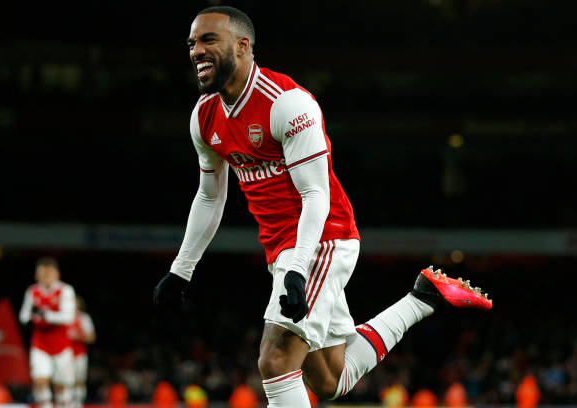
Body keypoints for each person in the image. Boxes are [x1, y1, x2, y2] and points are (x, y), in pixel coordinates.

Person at [153, 6, 493, 407]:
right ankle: (423, 298)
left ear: (243, 46)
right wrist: (181, 270)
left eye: (209, 40)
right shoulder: (204, 117)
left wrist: (298, 267)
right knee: (330, 379)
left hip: (323, 239)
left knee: (276, 358)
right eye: (192, 42)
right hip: (282, 251)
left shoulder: (288, 104)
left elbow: (316, 194)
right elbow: (210, 196)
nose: (196, 50)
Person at [19, 257, 76, 408]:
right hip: (40, 344)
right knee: (40, 380)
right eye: (42, 274)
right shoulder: (32, 291)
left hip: (61, 345)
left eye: (49, 273)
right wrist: (31, 315)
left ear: (57, 274)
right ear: (36, 275)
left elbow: (68, 317)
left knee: (61, 386)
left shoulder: (65, 290)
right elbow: (23, 316)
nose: (45, 277)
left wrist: (47, 315)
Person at [68, 295, 96, 408]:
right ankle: (67, 403)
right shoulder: (61, 317)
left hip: (79, 355)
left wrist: (77, 336)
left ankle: (78, 404)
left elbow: (92, 337)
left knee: (79, 380)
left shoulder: (84, 318)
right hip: (63, 355)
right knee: (65, 381)